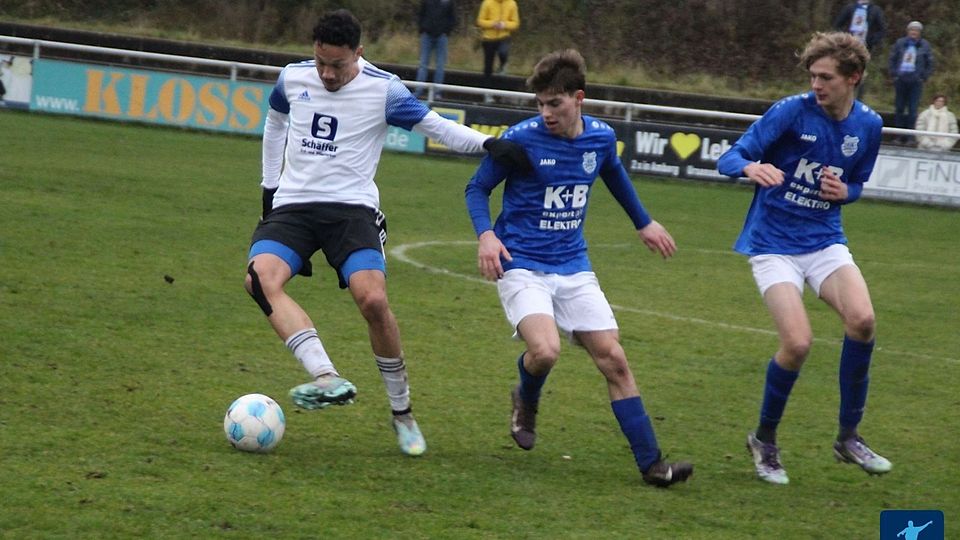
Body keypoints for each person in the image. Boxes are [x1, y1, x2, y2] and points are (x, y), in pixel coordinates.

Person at [245, 9, 530, 457]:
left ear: (358, 53)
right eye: (320, 62)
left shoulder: (384, 90)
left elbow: (435, 126)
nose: (326, 73)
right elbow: (275, 122)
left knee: (373, 301)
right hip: (294, 206)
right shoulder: (292, 78)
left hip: (352, 210)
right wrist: (269, 185)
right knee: (258, 279)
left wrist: (488, 144)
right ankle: (325, 376)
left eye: (336, 65)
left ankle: (402, 413)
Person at [464, 49, 693, 487]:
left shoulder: (601, 138)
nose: (546, 113)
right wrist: (486, 234)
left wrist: (643, 222)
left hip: (572, 264)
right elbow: (477, 188)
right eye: (540, 104)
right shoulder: (522, 139)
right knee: (546, 351)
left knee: (615, 360)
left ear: (579, 98)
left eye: (555, 103)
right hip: (522, 263)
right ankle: (526, 397)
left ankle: (652, 465)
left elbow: (614, 175)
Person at [717, 32, 892, 485]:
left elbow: (857, 185)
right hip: (773, 245)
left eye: (826, 77)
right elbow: (731, 155)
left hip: (824, 240)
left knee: (864, 321)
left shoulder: (869, 125)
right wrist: (749, 167)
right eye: (813, 75)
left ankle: (848, 437)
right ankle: (765, 440)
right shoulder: (791, 111)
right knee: (797, 344)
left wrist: (845, 192)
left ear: (853, 78)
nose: (817, 84)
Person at [889, 21, 934, 144]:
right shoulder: (900, 43)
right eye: (911, 30)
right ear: (908, 31)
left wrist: (923, 77)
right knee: (899, 108)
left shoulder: (924, 45)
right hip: (901, 79)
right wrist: (894, 74)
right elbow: (892, 58)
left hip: (915, 81)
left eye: (916, 30)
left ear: (919, 33)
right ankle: (898, 136)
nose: (913, 32)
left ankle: (910, 137)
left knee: (913, 109)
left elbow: (930, 63)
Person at [832, 0, 886, 100]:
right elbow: (837, 24)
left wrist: (872, 40)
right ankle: (842, 96)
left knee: (861, 73)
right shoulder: (850, 7)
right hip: (848, 46)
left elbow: (882, 29)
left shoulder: (875, 10)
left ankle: (858, 99)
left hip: (865, 47)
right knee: (844, 70)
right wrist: (844, 38)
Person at [415, 0, 457, 99]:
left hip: (441, 36)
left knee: (440, 65)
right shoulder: (426, 1)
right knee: (423, 64)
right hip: (427, 34)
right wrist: (423, 29)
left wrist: (446, 31)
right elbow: (421, 14)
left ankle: (437, 92)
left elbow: (452, 18)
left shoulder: (448, 2)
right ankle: (418, 91)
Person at [476, 0, 519, 83]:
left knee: (503, 52)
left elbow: (515, 23)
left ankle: (503, 66)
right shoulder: (487, 2)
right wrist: (492, 24)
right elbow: (480, 21)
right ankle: (487, 91)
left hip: (504, 36)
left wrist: (504, 25)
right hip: (488, 38)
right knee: (488, 66)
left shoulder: (512, 3)